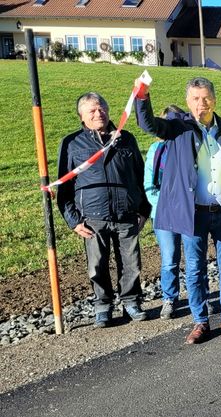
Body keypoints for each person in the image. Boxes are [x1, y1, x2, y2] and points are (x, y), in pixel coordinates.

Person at [135, 77, 221, 345]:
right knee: (195, 269)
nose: (201, 103)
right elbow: (148, 123)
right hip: (193, 212)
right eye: (195, 98)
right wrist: (142, 96)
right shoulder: (178, 129)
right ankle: (200, 322)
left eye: (206, 97)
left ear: (214, 99)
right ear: (187, 102)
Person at [57, 92, 150, 328]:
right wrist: (73, 220)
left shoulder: (125, 139)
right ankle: (103, 306)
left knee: (131, 263)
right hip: (92, 219)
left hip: (126, 214)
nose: (99, 114)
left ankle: (131, 302)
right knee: (96, 265)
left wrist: (143, 209)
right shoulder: (72, 144)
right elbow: (64, 186)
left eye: (102, 109)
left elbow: (141, 177)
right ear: (82, 116)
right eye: (92, 111)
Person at [143, 104, 185, 319]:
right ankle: (170, 298)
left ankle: (201, 296)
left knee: (197, 258)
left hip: (189, 211)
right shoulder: (155, 151)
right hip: (163, 213)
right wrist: (163, 206)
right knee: (169, 258)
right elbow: (149, 184)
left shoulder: (191, 146)